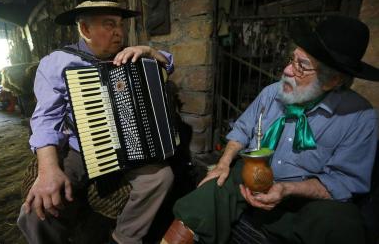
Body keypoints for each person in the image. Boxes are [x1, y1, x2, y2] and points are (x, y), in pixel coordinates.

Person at [162, 16, 379, 244]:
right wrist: (223, 163)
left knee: (343, 225)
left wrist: (286, 189)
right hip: (254, 175)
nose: (286, 70)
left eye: (302, 66)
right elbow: (242, 130)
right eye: (292, 59)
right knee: (209, 191)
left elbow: (343, 182)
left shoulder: (360, 117)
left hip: (305, 198)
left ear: (332, 80)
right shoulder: (272, 93)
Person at [17, 0, 175, 244]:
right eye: (109, 25)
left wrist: (150, 51)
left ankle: (123, 238)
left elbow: (168, 64)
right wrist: (48, 170)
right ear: (85, 30)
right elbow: (45, 118)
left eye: (120, 25)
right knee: (36, 211)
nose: (119, 33)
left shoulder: (130, 56)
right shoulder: (57, 62)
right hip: (76, 147)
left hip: (130, 145)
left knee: (161, 177)